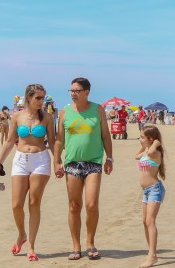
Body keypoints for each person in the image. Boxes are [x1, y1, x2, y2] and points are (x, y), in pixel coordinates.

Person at [0, 83, 56, 262]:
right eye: (38, 98)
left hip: (41, 161)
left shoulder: (48, 118)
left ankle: (31, 246)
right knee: (16, 205)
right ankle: (21, 234)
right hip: (20, 161)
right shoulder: (17, 117)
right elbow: (10, 141)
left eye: (43, 97)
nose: (42, 101)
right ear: (28, 98)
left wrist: (58, 162)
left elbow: (52, 141)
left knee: (34, 203)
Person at [53, 77, 114, 261]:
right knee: (74, 206)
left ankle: (90, 243)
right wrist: (56, 161)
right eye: (71, 90)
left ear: (87, 92)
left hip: (93, 163)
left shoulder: (98, 110)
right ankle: (75, 245)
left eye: (77, 91)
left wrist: (109, 158)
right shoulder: (64, 112)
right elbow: (59, 139)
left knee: (91, 204)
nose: (73, 94)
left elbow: (105, 135)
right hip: (72, 164)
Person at [135, 125, 166, 268]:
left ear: (150, 139)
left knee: (150, 221)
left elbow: (153, 149)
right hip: (146, 191)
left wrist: (156, 142)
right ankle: (151, 251)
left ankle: (152, 256)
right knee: (144, 221)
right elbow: (136, 156)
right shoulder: (147, 152)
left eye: (142, 137)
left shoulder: (155, 153)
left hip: (155, 189)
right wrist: (144, 146)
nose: (139, 139)